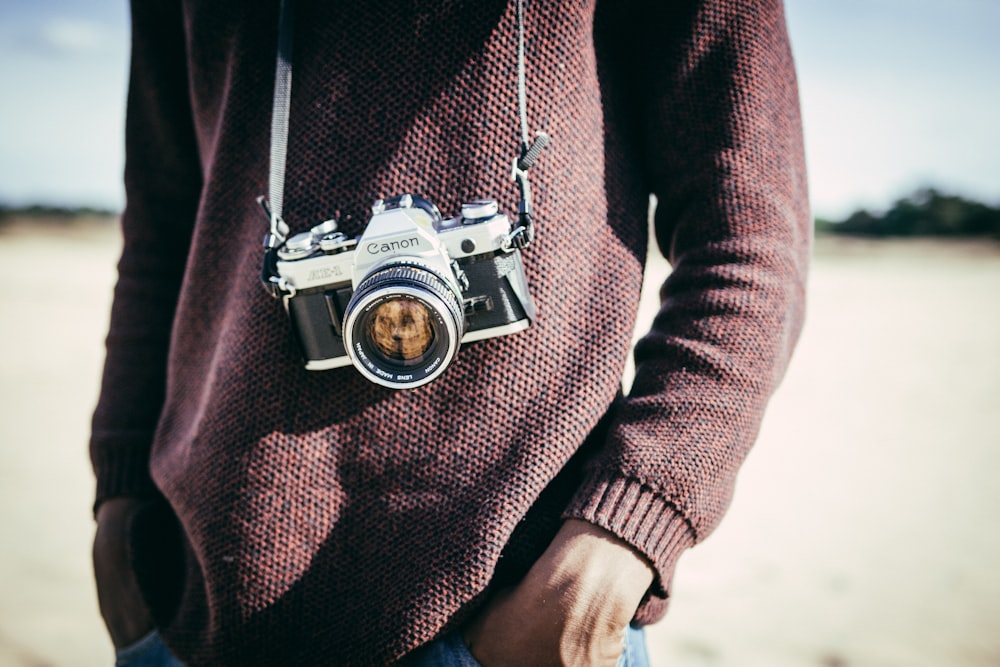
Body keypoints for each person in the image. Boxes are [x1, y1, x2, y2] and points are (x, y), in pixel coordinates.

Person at [90, 0, 811, 665]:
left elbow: (749, 236)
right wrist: (120, 506)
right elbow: (164, 223)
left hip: (524, 612)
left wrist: (623, 538)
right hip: (192, 602)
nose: (399, 328)